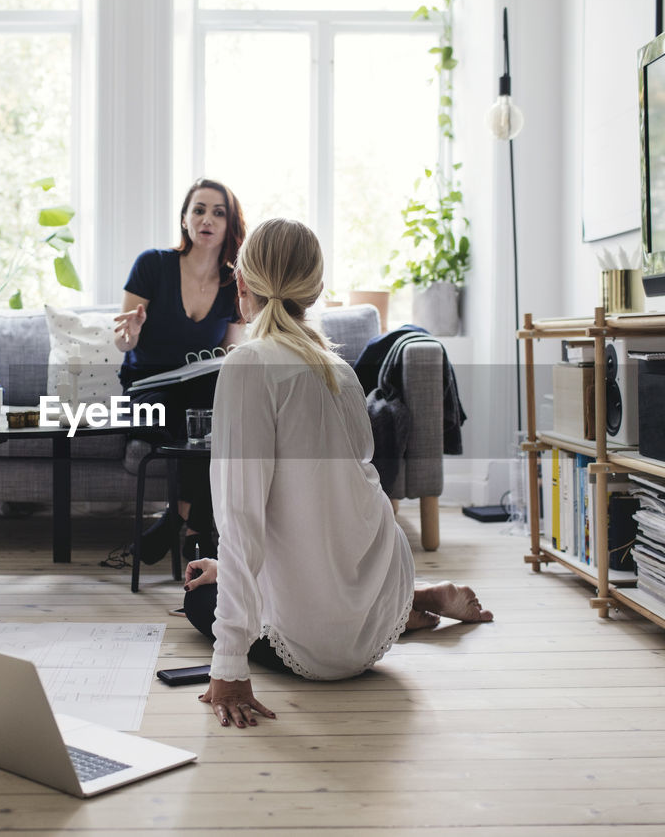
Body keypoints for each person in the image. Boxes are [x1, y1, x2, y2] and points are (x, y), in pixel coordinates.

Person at [181, 218, 493, 729]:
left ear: (241, 285)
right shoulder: (340, 371)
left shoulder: (245, 365)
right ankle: (411, 602)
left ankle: (411, 605)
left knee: (198, 601)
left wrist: (230, 666)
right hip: (374, 621)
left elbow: (240, 517)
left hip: (314, 646)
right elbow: (339, 498)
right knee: (227, 570)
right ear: (317, 291)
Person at [114, 178, 247, 564]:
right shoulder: (153, 265)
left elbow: (230, 352)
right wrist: (130, 332)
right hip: (147, 391)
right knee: (191, 422)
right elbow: (123, 342)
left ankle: (180, 519)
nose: (207, 218)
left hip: (198, 390)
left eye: (218, 212)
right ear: (185, 219)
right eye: (199, 210)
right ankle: (197, 528)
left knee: (213, 414)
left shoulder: (233, 283)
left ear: (229, 224)